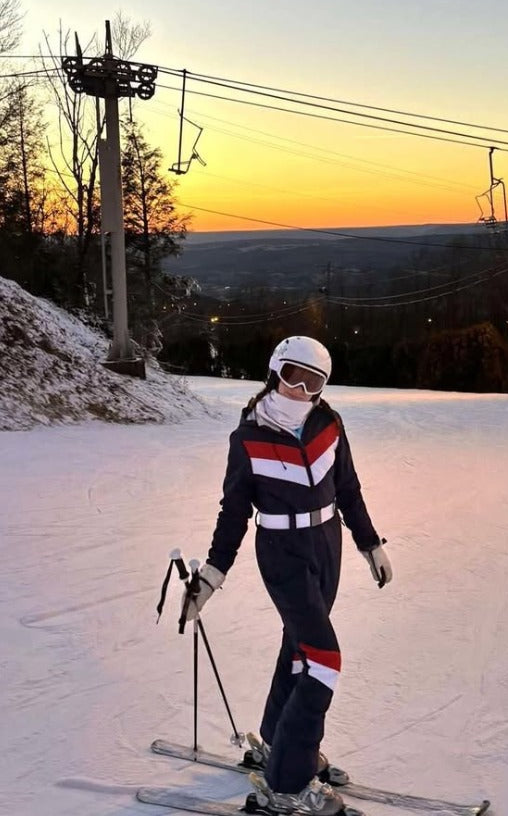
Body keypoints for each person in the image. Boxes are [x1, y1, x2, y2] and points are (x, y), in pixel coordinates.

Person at [181, 336, 392, 816]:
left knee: (299, 648)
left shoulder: (328, 426)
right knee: (323, 660)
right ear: (275, 372)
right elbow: (233, 512)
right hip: (280, 551)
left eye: (312, 380)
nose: (299, 388)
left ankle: (281, 744)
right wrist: (212, 575)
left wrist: (370, 542)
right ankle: (288, 783)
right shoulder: (249, 438)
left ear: (322, 387)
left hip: (327, 543)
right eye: (291, 375)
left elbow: (349, 489)